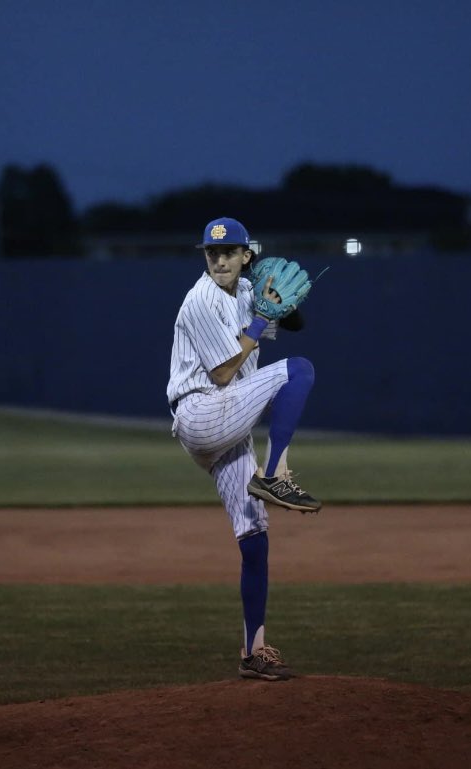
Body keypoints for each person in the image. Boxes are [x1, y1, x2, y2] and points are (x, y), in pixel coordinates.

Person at [166, 216, 321, 681]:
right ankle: (274, 474)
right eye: (212, 252)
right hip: (202, 411)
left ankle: (253, 651)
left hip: (224, 426)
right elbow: (223, 374)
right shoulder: (200, 300)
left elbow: (293, 320)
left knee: (254, 535)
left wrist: (283, 305)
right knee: (300, 371)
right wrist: (261, 318)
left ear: (245, 255)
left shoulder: (248, 289)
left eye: (228, 252)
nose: (218, 259)